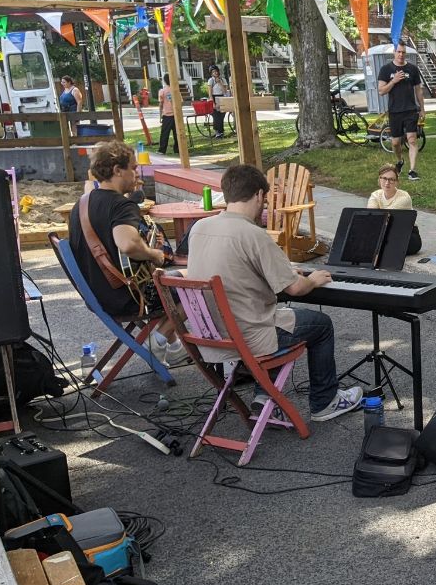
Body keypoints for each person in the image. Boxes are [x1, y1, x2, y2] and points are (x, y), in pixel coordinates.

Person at [186, 164, 364, 421]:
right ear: (259, 195)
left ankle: (265, 397)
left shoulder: (199, 228)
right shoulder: (253, 234)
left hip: (210, 334)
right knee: (319, 324)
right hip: (248, 338)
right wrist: (312, 280)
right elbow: (295, 288)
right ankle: (325, 401)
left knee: (272, 315)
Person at [67, 141, 188, 366]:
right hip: (128, 298)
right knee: (193, 282)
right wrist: (154, 255)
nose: (137, 173)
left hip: (98, 296)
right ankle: (158, 341)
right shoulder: (120, 205)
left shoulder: (81, 205)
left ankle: (175, 348)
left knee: (168, 282)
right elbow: (127, 245)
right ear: (117, 170)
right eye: (133, 168)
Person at [377, 43, 427, 181]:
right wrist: (393, 81)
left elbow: (418, 90)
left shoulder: (412, 69)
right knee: (395, 142)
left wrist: (422, 109)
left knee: (412, 139)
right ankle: (400, 161)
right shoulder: (386, 69)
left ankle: (412, 170)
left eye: (403, 52)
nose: (401, 54)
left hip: (410, 110)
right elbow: (381, 91)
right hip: (395, 111)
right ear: (394, 52)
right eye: (398, 52)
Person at [366, 164, 422, 255]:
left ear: (396, 182)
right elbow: (371, 218)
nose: (387, 182)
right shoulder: (375, 195)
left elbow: (388, 217)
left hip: (406, 234)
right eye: (384, 178)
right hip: (384, 232)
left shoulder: (404, 197)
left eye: (391, 179)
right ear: (379, 179)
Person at [207, 65, 229, 139]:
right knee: (216, 116)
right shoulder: (211, 80)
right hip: (213, 98)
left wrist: (220, 83)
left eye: (216, 71)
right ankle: (217, 132)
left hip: (222, 97)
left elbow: (225, 91)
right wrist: (212, 102)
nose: (215, 73)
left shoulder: (223, 80)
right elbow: (210, 93)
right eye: (213, 72)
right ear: (211, 73)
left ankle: (221, 132)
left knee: (221, 115)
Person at [156, 74, 177, 155]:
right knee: (177, 133)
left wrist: (160, 115)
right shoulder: (176, 90)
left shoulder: (162, 91)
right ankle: (177, 149)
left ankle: (162, 150)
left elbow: (161, 104)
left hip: (167, 115)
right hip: (176, 115)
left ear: (164, 81)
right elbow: (180, 101)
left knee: (165, 133)